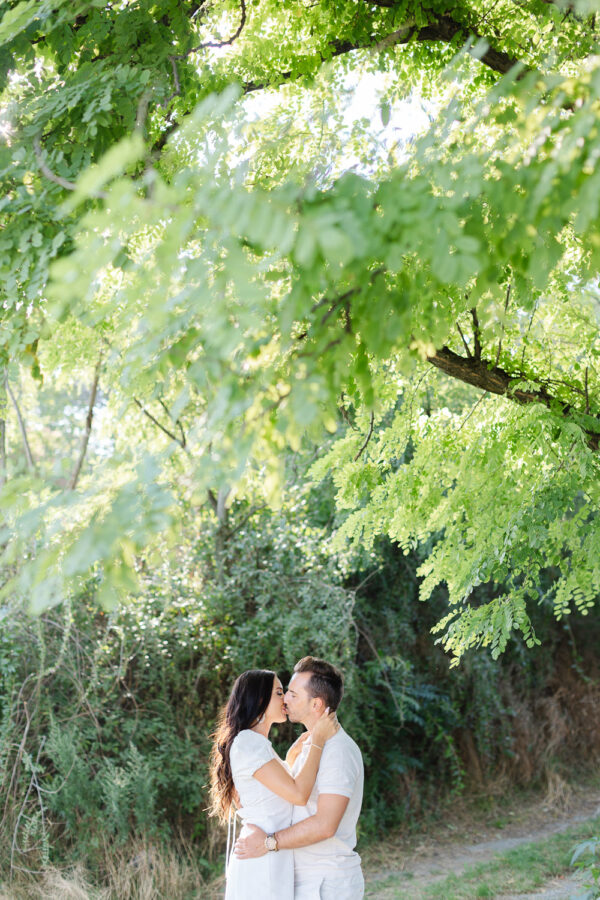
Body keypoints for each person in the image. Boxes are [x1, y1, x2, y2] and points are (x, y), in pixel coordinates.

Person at [235, 656, 364, 900]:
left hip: (326, 882)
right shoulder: (310, 745)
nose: (285, 699)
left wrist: (268, 842)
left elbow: (325, 825)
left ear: (316, 704)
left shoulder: (337, 750)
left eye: (292, 694)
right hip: (298, 878)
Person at [208, 668, 338, 900]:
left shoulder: (254, 743)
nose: (286, 699)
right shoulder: (250, 743)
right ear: (260, 699)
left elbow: (268, 792)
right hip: (261, 861)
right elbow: (298, 795)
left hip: (269, 855)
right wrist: (318, 740)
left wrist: (291, 757)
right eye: (279, 693)